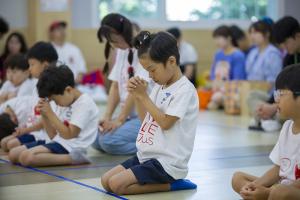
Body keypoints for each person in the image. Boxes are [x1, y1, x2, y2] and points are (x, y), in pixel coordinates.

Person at [100, 31, 198, 195]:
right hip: (147, 156)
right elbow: (144, 118)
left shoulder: (184, 90)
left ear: (172, 61)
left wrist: (144, 96)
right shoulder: (160, 86)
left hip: (167, 162)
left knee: (117, 185)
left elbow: (166, 123)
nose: (151, 76)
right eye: (147, 71)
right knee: (106, 181)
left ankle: (175, 184)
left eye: (152, 70)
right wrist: (138, 95)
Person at [232, 64, 300, 200]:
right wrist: (255, 185)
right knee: (238, 178)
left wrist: (271, 191)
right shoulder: (287, 127)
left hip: (292, 191)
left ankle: (267, 196)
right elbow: (277, 169)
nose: (277, 100)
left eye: (281, 94)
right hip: (281, 186)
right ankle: (263, 195)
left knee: (279, 193)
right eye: (276, 94)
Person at [7, 65, 99, 166]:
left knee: (26, 157)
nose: (55, 103)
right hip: (58, 142)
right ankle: (66, 157)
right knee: (13, 154)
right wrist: (44, 114)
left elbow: (69, 135)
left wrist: (50, 113)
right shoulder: (63, 99)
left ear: (68, 90)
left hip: (73, 147)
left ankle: (74, 158)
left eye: (54, 100)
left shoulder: (84, 103)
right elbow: (52, 135)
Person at [92, 13, 151, 155]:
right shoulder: (123, 50)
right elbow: (115, 86)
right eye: (111, 43)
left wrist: (120, 120)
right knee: (95, 138)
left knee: (107, 142)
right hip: (130, 117)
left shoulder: (144, 51)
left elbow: (136, 90)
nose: (114, 46)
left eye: (116, 41)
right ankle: (144, 140)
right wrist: (107, 117)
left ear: (125, 33)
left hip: (145, 117)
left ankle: (155, 147)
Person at [0, 42, 58, 152]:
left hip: (42, 133)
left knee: (12, 147)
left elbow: (44, 120)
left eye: (32, 64)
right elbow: (33, 112)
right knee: (4, 143)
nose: (29, 69)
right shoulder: (37, 84)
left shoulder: (51, 87)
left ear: (44, 65)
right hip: (33, 129)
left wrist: (26, 130)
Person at [249, 16, 300, 131]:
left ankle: (271, 119)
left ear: (297, 36)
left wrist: (275, 106)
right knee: (252, 96)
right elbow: (281, 85)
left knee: (286, 108)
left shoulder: (273, 54)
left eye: (286, 43)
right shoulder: (289, 58)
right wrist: (269, 104)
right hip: (284, 98)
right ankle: (268, 117)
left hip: (294, 100)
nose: (284, 48)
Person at [246, 20, 283, 131]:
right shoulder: (252, 53)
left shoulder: (273, 53)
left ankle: (263, 118)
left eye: (256, 32)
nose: (252, 36)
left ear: (267, 34)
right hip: (255, 89)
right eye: (251, 32)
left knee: (252, 95)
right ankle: (266, 119)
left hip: (270, 94)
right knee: (250, 96)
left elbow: (274, 81)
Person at [208, 25, 246, 110]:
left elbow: (238, 79)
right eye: (215, 38)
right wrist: (214, 83)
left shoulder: (238, 55)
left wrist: (223, 87)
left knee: (215, 100)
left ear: (229, 38)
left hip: (232, 91)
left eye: (219, 38)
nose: (216, 41)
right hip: (217, 89)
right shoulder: (218, 54)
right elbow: (212, 74)